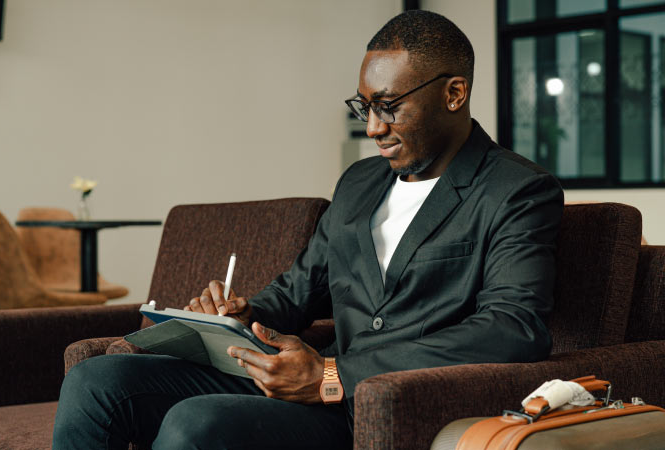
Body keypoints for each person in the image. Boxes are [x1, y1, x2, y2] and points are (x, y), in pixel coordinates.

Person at [53, 9, 563, 450]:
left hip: (381, 404)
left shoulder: (516, 190)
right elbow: (300, 291)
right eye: (364, 107)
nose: (373, 128)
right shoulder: (360, 183)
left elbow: (512, 329)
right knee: (97, 378)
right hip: (303, 383)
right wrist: (242, 313)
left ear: (455, 93)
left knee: (196, 423)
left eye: (388, 106)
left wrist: (333, 375)